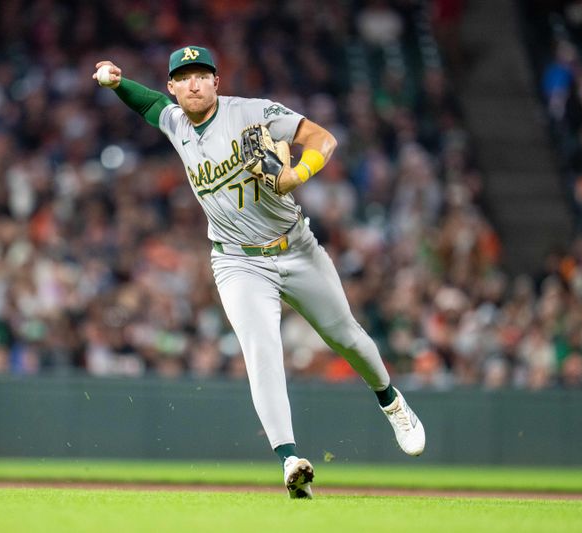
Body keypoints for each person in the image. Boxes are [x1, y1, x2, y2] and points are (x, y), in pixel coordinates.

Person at [94, 46, 425, 499]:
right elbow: (149, 104)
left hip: (295, 246)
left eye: (202, 75)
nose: (193, 83)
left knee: (345, 336)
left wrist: (297, 175)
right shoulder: (175, 122)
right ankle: (290, 459)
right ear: (173, 86)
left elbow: (322, 138)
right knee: (261, 350)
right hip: (237, 260)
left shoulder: (251, 114)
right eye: (183, 77)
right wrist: (117, 84)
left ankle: (391, 402)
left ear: (217, 82)